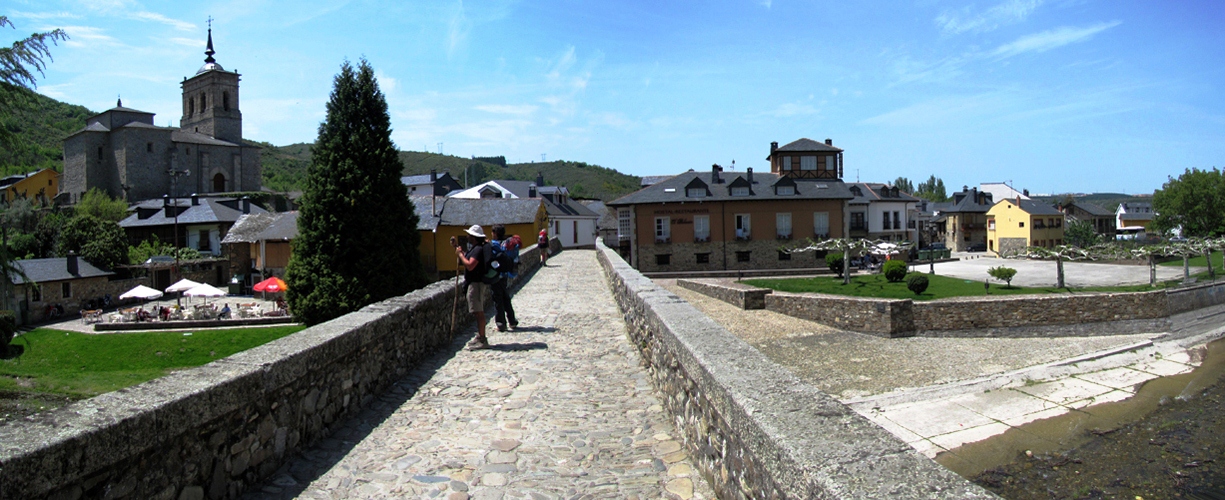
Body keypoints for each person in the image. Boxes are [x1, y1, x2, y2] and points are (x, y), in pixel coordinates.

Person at [455, 225, 492, 350]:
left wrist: (460, 256)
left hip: (476, 284)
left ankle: (482, 339)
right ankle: (480, 336)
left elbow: (470, 266)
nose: (467, 237)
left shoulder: (478, 250)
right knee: (477, 311)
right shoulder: (477, 248)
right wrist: (460, 252)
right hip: (475, 283)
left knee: (478, 312)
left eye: (469, 235)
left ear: (474, 237)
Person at [490, 224, 519, 332]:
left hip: (496, 274)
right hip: (505, 274)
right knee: (505, 297)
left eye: (492, 233)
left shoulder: (494, 244)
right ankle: (512, 321)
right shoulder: (507, 244)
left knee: (498, 299)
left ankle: (501, 324)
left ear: (495, 233)